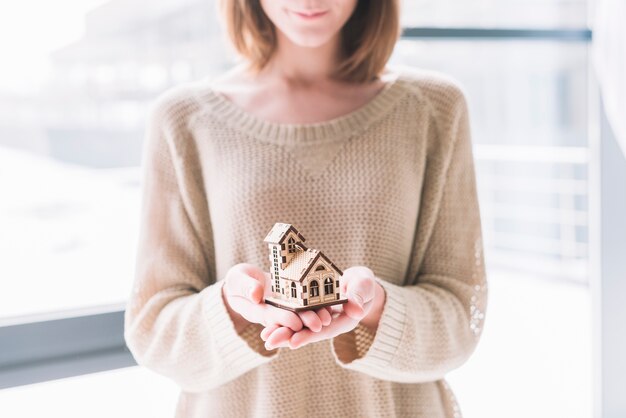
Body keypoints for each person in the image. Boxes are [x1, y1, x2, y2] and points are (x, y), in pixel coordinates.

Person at [124, 0, 489, 417]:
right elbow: (152, 330)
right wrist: (231, 306)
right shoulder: (184, 120)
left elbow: (462, 318)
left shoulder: (434, 109)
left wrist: (375, 310)